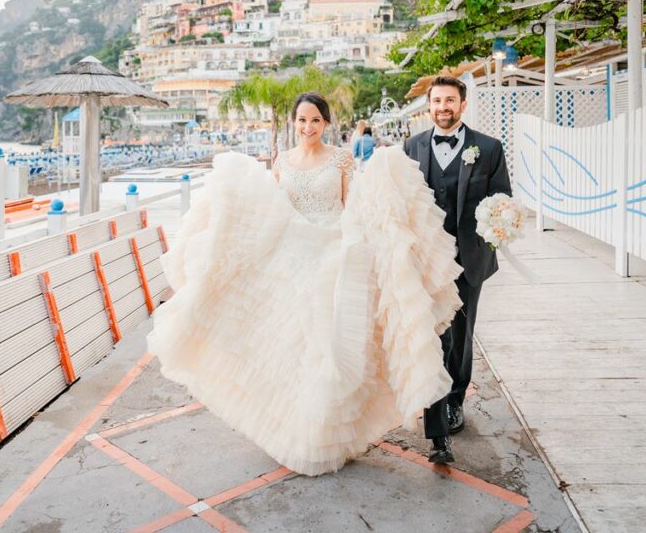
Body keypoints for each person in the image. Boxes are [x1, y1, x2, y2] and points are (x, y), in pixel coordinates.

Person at [149, 92, 464, 476]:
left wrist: (356, 248)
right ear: (294, 123)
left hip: (333, 253)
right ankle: (293, 431)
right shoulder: (283, 161)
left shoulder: (341, 159)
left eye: (315, 121)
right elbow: (276, 209)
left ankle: (326, 435)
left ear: (326, 123)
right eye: (302, 121)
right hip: (291, 257)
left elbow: (352, 208)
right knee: (289, 348)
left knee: (328, 346)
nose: (308, 127)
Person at [403, 76, 511, 465]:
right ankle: (433, 397)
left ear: (462, 105)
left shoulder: (489, 147)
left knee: (461, 333)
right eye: (436, 101)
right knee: (433, 333)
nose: (443, 107)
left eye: (450, 100)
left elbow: (502, 203)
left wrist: (493, 236)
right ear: (428, 106)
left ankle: (454, 399)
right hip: (424, 259)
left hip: (468, 258)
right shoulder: (411, 147)